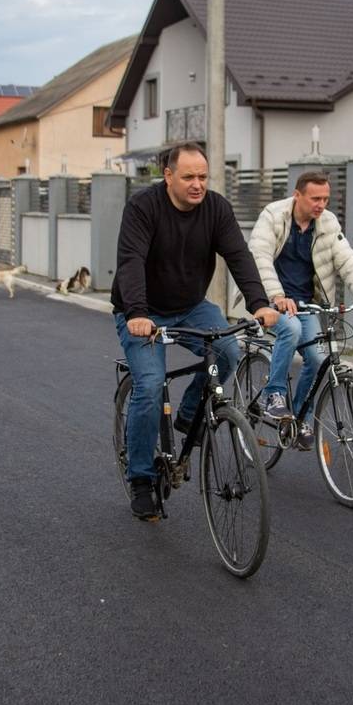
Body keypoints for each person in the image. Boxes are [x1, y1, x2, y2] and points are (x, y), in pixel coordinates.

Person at [111, 143, 278, 521]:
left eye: (203, 176)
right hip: (142, 312)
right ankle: (140, 477)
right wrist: (137, 312)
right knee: (151, 385)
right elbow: (131, 261)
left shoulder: (216, 208)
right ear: (168, 176)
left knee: (229, 351)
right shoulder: (143, 208)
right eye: (188, 177)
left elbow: (238, 255)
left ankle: (189, 415)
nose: (197, 184)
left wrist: (259, 303)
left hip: (189, 306)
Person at [247, 171, 353, 446]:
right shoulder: (273, 215)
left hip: (306, 303)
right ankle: (274, 394)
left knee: (318, 359)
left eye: (326, 199)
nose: (321, 204)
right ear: (297, 195)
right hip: (273, 300)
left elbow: (347, 260)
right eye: (315, 198)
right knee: (291, 330)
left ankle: (298, 418)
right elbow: (259, 256)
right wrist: (276, 295)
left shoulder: (327, 222)